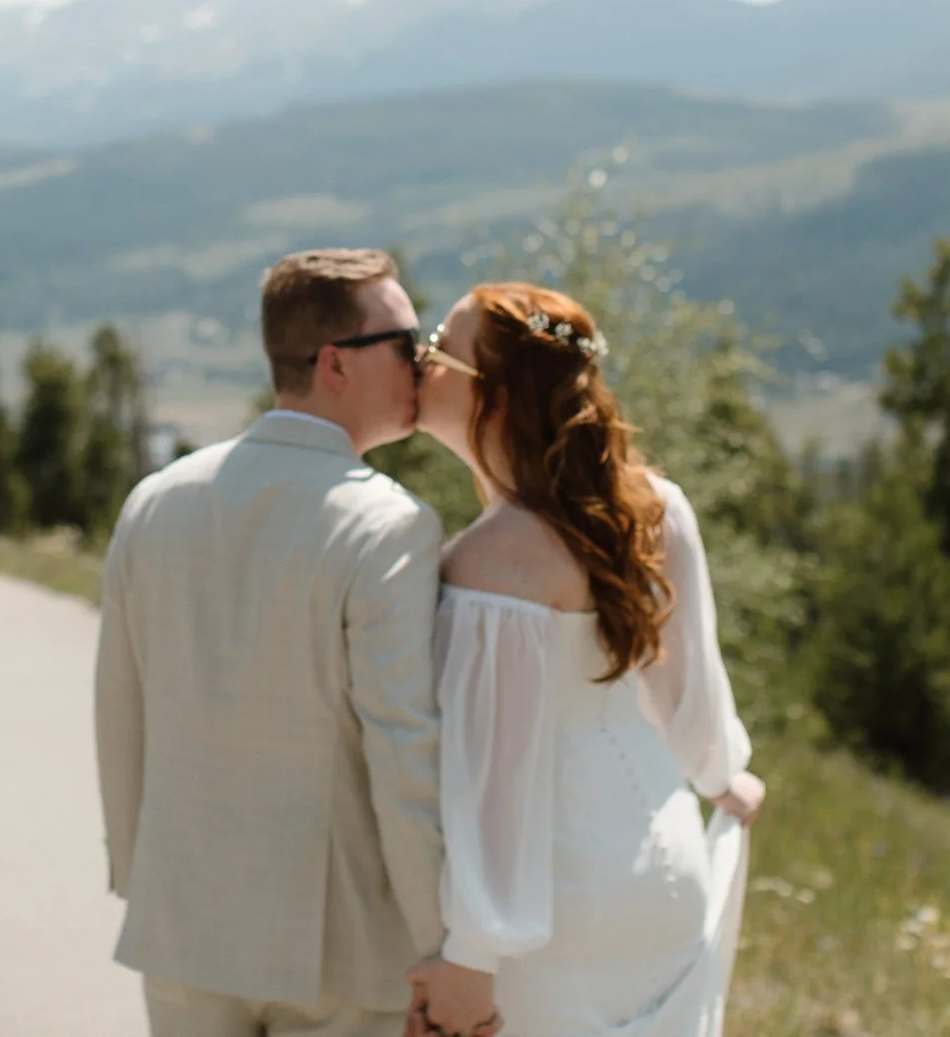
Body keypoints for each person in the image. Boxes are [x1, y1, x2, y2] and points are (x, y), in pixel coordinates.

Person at [95, 248, 502, 1037]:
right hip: (338, 949)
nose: (423, 364)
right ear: (333, 364)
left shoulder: (155, 501)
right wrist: (440, 946)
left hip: (182, 925)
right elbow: (403, 748)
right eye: (405, 342)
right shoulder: (387, 523)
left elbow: (120, 707)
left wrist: (137, 875)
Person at [407, 282, 763, 1037]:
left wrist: (472, 954)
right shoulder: (656, 508)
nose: (422, 357)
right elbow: (688, 688)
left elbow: (493, 779)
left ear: (493, 399)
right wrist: (722, 777)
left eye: (442, 343)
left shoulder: (488, 564)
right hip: (664, 866)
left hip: (554, 907)